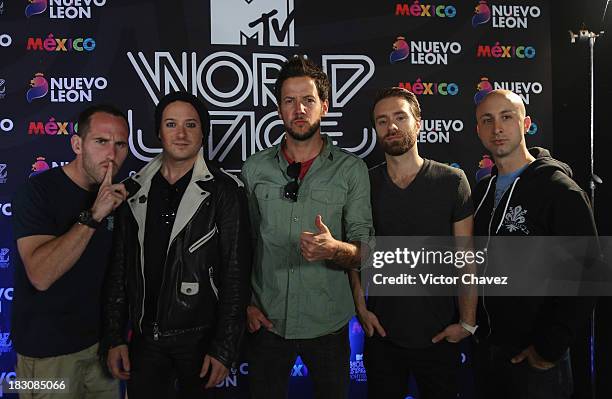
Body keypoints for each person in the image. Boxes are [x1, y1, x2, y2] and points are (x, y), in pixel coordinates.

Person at [241, 55, 374, 399]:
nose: (298, 108)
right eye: (289, 100)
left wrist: (336, 250)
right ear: (279, 108)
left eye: (308, 100)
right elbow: (242, 246)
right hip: (266, 322)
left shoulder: (351, 169)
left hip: (327, 324)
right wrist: (246, 303)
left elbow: (366, 250)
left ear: (324, 106)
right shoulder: (254, 169)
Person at [102, 91, 251, 398]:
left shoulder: (225, 191)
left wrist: (223, 348)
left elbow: (235, 274)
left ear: (203, 132)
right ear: (159, 131)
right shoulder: (133, 190)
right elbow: (120, 269)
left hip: (199, 343)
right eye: (171, 124)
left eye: (191, 125)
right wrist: (115, 337)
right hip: (145, 342)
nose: (181, 134)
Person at [349, 87, 476, 399]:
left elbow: (466, 257)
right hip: (382, 335)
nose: (391, 126)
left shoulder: (452, 182)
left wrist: (468, 323)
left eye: (400, 117)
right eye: (381, 121)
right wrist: (361, 308)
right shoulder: (364, 183)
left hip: (439, 336)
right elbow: (354, 252)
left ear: (418, 123)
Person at [472, 89, 598, 399]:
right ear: (478, 130)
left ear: (525, 123)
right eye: (487, 120)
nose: (497, 128)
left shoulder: (559, 190)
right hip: (488, 351)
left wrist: (549, 348)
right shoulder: (482, 191)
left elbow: (587, 274)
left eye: (507, 117)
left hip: (536, 359)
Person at [11, 104, 130, 399]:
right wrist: (94, 215)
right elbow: (40, 275)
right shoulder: (37, 192)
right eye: (101, 142)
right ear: (77, 144)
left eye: (120, 144)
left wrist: (116, 339)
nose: (111, 155)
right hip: (46, 356)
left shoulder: (116, 196)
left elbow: (117, 276)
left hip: (99, 352)